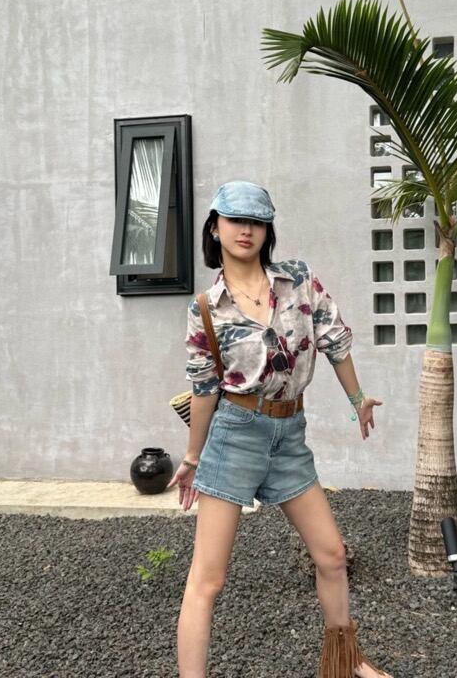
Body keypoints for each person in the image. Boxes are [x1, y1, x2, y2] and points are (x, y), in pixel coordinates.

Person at [168, 181, 392, 678]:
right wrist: (191, 457)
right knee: (208, 580)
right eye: (235, 220)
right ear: (215, 227)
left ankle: (346, 661)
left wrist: (357, 399)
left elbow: (334, 339)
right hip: (235, 434)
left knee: (332, 555)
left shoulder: (298, 280)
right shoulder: (206, 308)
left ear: (268, 230)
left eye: (257, 221)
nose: (246, 230)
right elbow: (204, 389)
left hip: (289, 434)